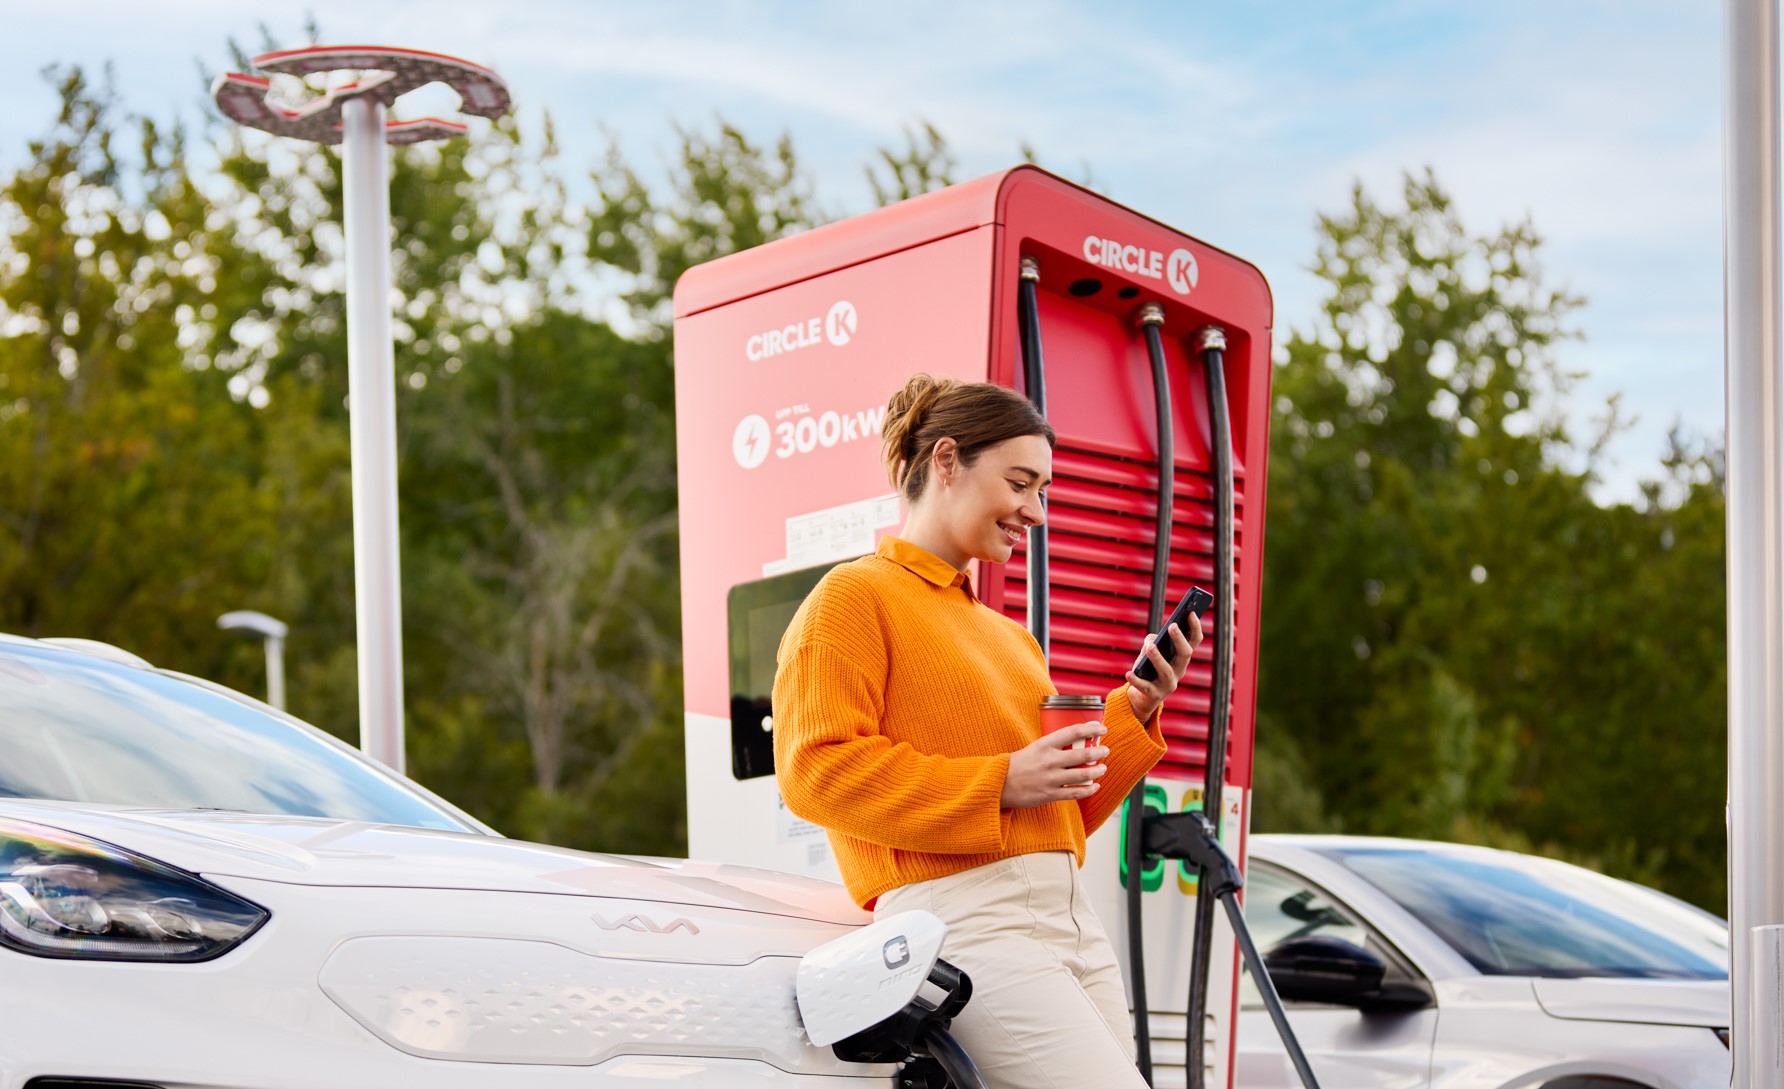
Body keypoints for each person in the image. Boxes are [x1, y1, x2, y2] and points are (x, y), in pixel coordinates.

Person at [773, 373, 1199, 1088]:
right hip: (966, 922)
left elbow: (1052, 813)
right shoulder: (852, 597)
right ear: (946, 461)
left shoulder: (1012, 639)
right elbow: (815, 771)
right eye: (1021, 482)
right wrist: (1002, 779)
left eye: (1045, 491)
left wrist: (1137, 710)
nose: (1035, 510)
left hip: (1069, 919)